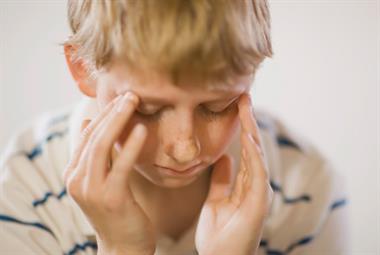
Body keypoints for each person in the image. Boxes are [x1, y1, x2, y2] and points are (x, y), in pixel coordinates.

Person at [0, 1, 350, 255]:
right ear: (81, 67)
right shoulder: (25, 188)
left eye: (218, 107)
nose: (186, 148)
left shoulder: (305, 188)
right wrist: (121, 250)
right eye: (148, 109)